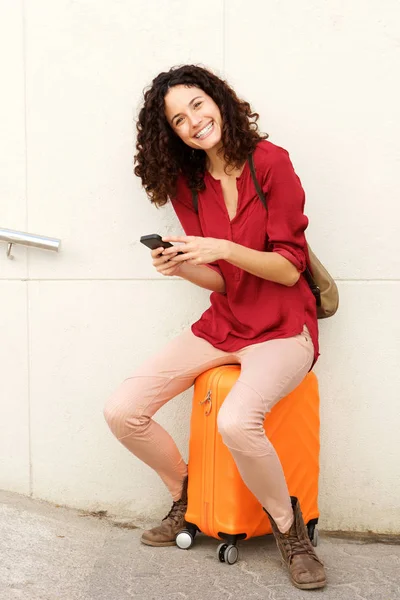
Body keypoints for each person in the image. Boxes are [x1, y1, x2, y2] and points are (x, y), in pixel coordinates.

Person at [104, 65, 326, 590]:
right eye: (179, 119)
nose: (193, 122)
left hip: (282, 326)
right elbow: (225, 283)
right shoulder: (189, 183)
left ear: (220, 101)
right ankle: (189, 497)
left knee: (235, 422)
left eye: (198, 105)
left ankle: (289, 530)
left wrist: (223, 248)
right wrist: (181, 264)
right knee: (122, 411)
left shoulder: (271, 163)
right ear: (173, 133)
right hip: (226, 321)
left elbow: (289, 268)